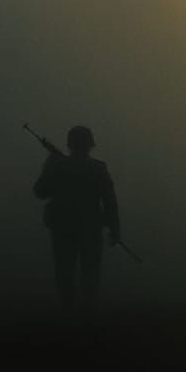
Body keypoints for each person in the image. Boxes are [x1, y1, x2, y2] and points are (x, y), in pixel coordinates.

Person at [33, 125, 120, 313]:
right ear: (89, 146)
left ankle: (69, 311)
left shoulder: (59, 165)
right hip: (89, 227)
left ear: (70, 145)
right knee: (89, 272)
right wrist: (114, 229)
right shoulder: (97, 168)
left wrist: (51, 167)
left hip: (65, 227)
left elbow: (40, 192)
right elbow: (110, 202)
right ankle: (85, 312)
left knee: (65, 270)